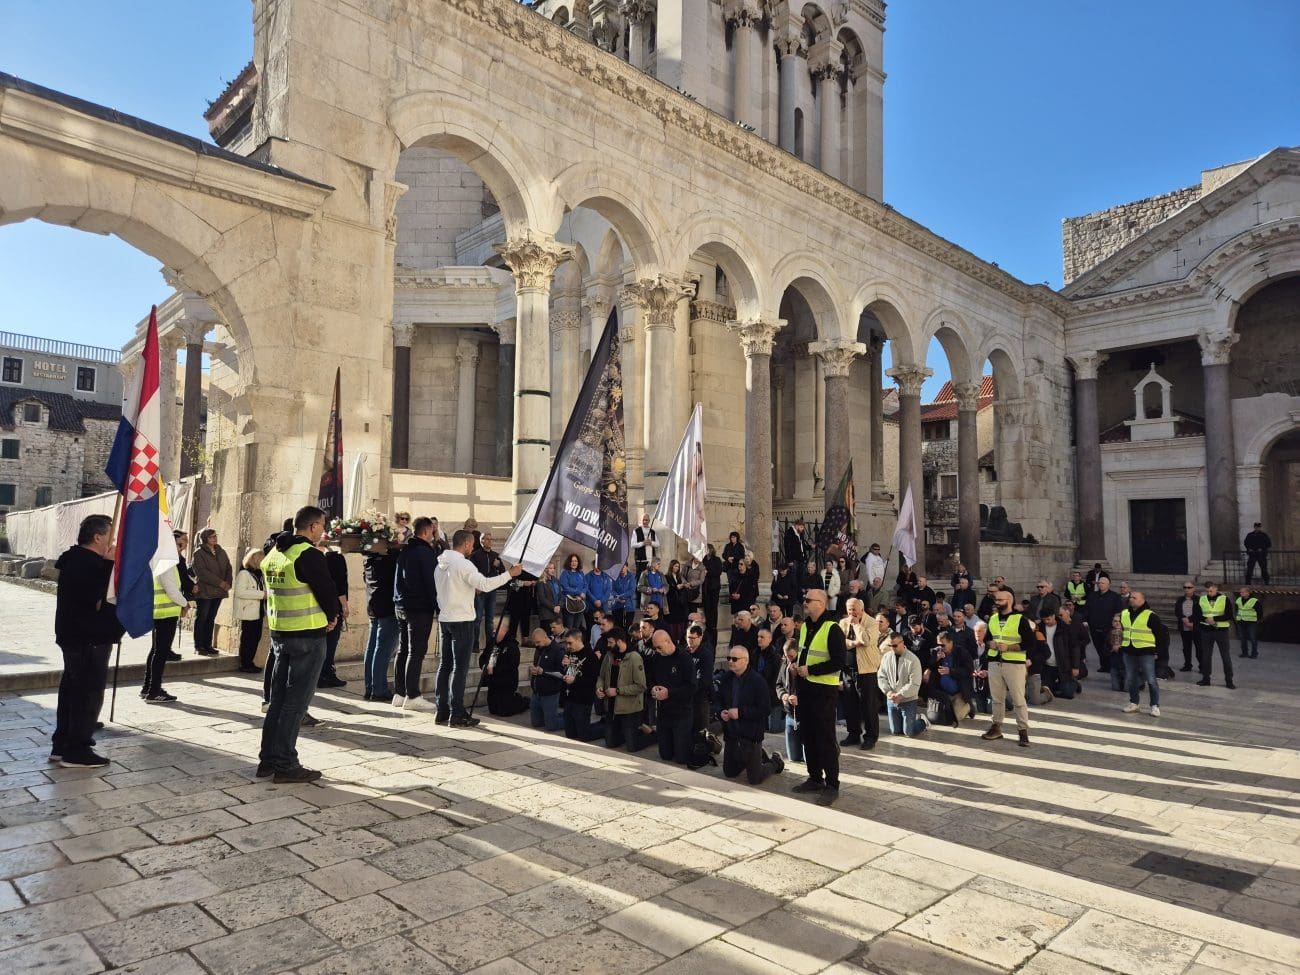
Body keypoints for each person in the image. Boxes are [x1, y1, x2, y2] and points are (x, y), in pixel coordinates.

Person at [258, 505, 341, 783]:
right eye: (322, 526)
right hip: (307, 635)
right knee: (296, 703)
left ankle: (268, 759)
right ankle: (285, 764)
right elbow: (327, 591)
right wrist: (332, 617)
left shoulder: (274, 554)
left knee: (279, 699)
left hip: (281, 634)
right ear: (313, 527)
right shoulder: (308, 555)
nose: (323, 531)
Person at [51, 514, 123, 767]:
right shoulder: (86, 562)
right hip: (87, 637)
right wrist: (108, 565)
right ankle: (77, 749)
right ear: (98, 537)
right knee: (86, 693)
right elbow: (93, 596)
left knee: (73, 691)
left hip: (80, 636)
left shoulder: (79, 559)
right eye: (110, 536)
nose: (113, 542)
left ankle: (62, 744)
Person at [434, 529, 522, 724]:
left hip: (445, 618)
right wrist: (510, 573)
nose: (472, 548)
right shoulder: (464, 564)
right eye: (471, 544)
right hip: (462, 620)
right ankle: (456, 713)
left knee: (445, 665)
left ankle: (442, 710)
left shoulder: (440, 565)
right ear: (465, 544)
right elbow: (485, 584)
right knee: (460, 668)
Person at [791, 589, 845, 806]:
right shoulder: (805, 626)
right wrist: (798, 668)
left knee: (825, 739)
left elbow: (839, 662)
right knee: (808, 736)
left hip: (824, 691)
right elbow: (806, 652)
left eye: (808, 600)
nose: (804, 603)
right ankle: (814, 778)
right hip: (806, 689)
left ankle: (832, 784)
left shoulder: (833, 629)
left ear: (821, 603)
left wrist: (810, 670)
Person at [716, 645, 786, 785]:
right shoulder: (726, 678)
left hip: (751, 735)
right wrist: (721, 712)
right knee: (729, 773)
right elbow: (718, 700)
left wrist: (740, 713)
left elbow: (765, 709)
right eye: (729, 658)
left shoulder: (757, 681)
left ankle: (775, 762)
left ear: (745, 661)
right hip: (732, 733)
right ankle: (752, 757)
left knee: (755, 779)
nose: (730, 661)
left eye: (734, 659)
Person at [392, 517, 440, 710]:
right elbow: (431, 583)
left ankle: (399, 692)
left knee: (404, 649)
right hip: (418, 608)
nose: (434, 534)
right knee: (416, 650)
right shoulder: (424, 552)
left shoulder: (405, 550)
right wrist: (438, 606)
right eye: (433, 531)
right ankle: (412, 695)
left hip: (402, 605)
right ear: (427, 531)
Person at [979, 586, 1035, 747]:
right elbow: (988, 639)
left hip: (1014, 663)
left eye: (1000, 599)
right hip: (995, 662)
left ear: (1009, 601)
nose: (996, 602)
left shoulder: (1020, 619)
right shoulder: (993, 619)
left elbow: (1030, 644)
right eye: (996, 599)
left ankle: (1023, 731)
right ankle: (996, 727)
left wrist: (1009, 647)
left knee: (1018, 699)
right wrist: (991, 644)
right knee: (997, 698)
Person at [648, 629, 697, 764]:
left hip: (681, 711)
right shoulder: (657, 658)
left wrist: (669, 693)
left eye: (659, 647)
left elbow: (692, 686)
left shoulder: (684, 658)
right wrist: (653, 688)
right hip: (664, 711)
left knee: (682, 758)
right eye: (655, 647)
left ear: (668, 641)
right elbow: (651, 678)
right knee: (665, 755)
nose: (657, 650)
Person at [597, 627, 650, 752]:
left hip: (629, 708)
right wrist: (599, 687)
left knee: (632, 747)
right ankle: (628, 732)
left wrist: (618, 691)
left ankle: (651, 734)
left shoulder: (634, 657)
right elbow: (602, 676)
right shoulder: (609, 656)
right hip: (611, 706)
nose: (608, 645)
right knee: (610, 743)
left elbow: (641, 686)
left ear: (619, 641)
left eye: (611, 642)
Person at [839, 597, 880, 750]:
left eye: (854, 609)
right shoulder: (843, 623)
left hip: (866, 670)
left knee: (868, 705)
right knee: (850, 705)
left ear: (861, 609)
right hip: (848, 669)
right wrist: (853, 644)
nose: (851, 612)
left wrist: (856, 625)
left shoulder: (872, 623)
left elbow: (867, 640)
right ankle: (853, 734)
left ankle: (870, 737)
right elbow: (839, 642)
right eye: (849, 609)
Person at [1120, 591, 1168, 717]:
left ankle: (1155, 705)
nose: (1131, 599)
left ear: (1142, 600)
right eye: (1130, 597)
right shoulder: (1124, 613)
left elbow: (1161, 635)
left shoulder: (1150, 615)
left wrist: (1158, 651)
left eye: (1135, 598)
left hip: (1146, 651)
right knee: (1131, 679)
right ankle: (1134, 703)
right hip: (1128, 651)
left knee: (1151, 679)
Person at [361, 544, 399, 702]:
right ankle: (379, 689)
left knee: (372, 648)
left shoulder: (369, 561)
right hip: (387, 609)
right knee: (382, 649)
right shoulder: (390, 560)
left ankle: (370, 687)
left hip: (373, 607)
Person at [191, 527, 232, 656]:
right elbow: (202, 573)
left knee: (211, 618)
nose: (215, 538)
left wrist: (228, 583)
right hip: (206, 591)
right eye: (212, 536)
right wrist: (220, 583)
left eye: (215, 535)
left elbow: (228, 567)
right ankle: (199, 645)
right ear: (205, 539)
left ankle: (208, 645)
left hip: (219, 591)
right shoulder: (198, 553)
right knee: (202, 618)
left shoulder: (221, 551)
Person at [878, 632, 927, 736]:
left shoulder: (913, 660)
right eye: (890, 646)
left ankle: (922, 721)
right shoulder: (886, 657)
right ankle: (904, 721)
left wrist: (900, 695)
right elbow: (881, 676)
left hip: (908, 699)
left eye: (894, 645)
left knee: (908, 732)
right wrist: (888, 691)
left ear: (902, 643)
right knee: (895, 731)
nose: (892, 648)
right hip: (892, 699)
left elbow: (915, 683)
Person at [559, 629, 604, 740]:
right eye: (566, 643)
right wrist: (564, 667)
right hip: (569, 697)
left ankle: (605, 727)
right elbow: (567, 672)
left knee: (584, 735)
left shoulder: (590, 656)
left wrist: (575, 680)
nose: (568, 646)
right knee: (570, 734)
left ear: (579, 640)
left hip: (583, 699)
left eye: (570, 643)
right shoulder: (569, 653)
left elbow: (592, 680)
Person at [316, 540, 349, 689]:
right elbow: (339, 586)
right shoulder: (336, 559)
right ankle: (326, 674)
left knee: (325, 643)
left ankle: (324, 673)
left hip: (320, 606)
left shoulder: (317, 558)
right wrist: (344, 605)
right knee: (330, 643)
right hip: (333, 606)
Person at [926, 631, 975, 724]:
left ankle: (968, 707)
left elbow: (968, 670)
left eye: (943, 645)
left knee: (956, 717)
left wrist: (951, 671)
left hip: (959, 693)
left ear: (950, 642)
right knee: (937, 716)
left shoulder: (961, 652)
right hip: (943, 694)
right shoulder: (936, 651)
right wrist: (936, 660)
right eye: (938, 644)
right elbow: (930, 665)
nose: (940, 647)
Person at [1194, 581, 1235, 689]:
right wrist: (1206, 619)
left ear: (1216, 589)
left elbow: (1229, 614)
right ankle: (1206, 678)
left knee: (1225, 656)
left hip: (1221, 630)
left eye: (1211, 590)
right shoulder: (1201, 599)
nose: (1209, 593)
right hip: (1206, 630)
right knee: (1206, 656)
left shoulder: (1224, 599)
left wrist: (1214, 619)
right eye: (1207, 591)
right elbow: (1197, 614)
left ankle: (1229, 680)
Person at [232, 547, 266, 675]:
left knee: (255, 638)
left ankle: (249, 662)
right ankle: (245, 664)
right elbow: (240, 592)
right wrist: (262, 594)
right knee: (248, 639)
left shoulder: (259, 573)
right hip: (249, 612)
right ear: (256, 559)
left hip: (258, 611)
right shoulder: (244, 574)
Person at [527, 626, 566, 732]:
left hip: (550, 692)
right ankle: (552, 715)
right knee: (536, 723)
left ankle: (570, 718)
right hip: (537, 691)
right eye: (535, 642)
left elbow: (561, 673)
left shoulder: (558, 650)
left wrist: (543, 672)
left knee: (551, 725)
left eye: (538, 642)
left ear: (545, 637)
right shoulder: (539, 648)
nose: (536, 645)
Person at [471, 532, 505, 652]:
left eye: (491, 539)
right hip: (480, 591)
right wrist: (476, 586)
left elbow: (502, 572)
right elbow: (474, 574)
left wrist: (497, 568)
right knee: (477, 619)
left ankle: (489, 645)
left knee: (490, 620)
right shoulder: (475, 555)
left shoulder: (496, 556)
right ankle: (474, 644)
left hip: (492, 591)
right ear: (481, 541)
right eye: (487, 539)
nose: (490, 541)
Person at [1036, 609, 1080, 699]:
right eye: (1044, 620)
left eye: (1048, 619)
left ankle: (1074, 684)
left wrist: (1075, 666)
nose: (1046, 622)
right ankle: (1056, 685)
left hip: (1063, 665)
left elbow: (1074, 647)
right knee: (1044, 690)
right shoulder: (1040, 628)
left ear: (1053, 616)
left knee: (1067, 694)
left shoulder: (1065, 628)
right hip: (1047, 666)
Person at [1084, 577, 1123, 673]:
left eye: (1103, 583)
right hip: (1094, 626)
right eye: (1099, 583)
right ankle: (1104, 665)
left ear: (1108, 585)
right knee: (1098, 646)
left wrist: (1116, 623)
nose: (1100, 584)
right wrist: (1085, 620)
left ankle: (1110, 666)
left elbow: (1118, 611)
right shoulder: (1092, 595)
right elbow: (1087, 609)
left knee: (1108, 646)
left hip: (1108, 627)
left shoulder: (1115, 597)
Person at [775, 639, 803, 763]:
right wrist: (783, 695)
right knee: (793, 758)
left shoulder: (803, 664)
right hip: (790, 713)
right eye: (786, 656)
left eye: (791, 656)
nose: (789, 659)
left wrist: (800, 698)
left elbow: (812, 689)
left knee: (809, 757)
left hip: (803, 713)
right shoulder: (785, 663)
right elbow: (778, 684)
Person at [684, 624, 714, 736]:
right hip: (686, 698)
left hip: (700, 697)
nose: (689, 641)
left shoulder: (705, 654)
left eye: (693, 638)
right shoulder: (684, 652)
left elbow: (705, 679)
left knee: (701, 729)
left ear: (700, 638)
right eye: (688, 637)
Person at [1173, 582, 1200, 673]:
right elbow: (1177, 611)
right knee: (1186, 647)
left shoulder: (1198, 599)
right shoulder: (1180, 599)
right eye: (1185, 587)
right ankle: (1187, 665)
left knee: (1199, 648)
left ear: (1194, 588)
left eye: (1189, 587)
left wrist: (1190, 620)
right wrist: (1183, 618)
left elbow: (1199, 612)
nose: (1187, 589)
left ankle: (1202, 666)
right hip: (1184, 627)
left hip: (1195, 627)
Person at [559, 553, 589, 631]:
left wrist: (583, 593)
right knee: (569, 627)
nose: (574, 563)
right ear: (569, 562)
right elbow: (565, 588)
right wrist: (579, 593)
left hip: (580, 602)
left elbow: (585, 585)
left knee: (577, 627)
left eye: (576, 561)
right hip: (570, 603)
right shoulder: (565, 573)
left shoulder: (580, 573)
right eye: (572, 561)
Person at [664, 559, 690, 642]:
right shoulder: (666, 577)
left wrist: (684, 585)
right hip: (671, 602)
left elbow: (684, 585)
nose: (677, 568)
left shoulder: (679, 577)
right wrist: (676, 587)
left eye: (678, 566)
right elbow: (667, 588)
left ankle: (680, 639)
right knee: (672, 622)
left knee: (680, 622)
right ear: (671, 566)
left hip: (680, 603)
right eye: (675, 566)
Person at [701, 544, 724, 637]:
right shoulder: (703, 560)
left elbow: (718, 571)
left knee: (713, 607)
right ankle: (708, 625)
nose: (706, 551)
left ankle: (713, 625)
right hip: (705, 587)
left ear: (711, 550)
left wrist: (708, 571)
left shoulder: (717, 560)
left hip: (714, 586)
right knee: (706, 606)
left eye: (708, 549)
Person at [784, 519, 812, 588]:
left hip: (801, 560)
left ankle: (799, 595)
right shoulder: (789, 533)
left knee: (801, 578)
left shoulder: (800, 534)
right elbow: (787, 548)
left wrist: (810, 547)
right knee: (794, 579)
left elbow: (802, 546)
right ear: (796, 526)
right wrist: (789, 560)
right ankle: (794, 596)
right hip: (794, 560)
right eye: (801, 527)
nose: (802, 529)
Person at [1234, 586, 1261, 659]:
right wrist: (1237, 618)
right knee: (1242, 638)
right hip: (1241, 621)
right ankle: (1244, 653)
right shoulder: (1238, 600)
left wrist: (1257, 620)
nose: (1241, 593)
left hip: (1251, 622)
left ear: (1248, 593)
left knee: (1253, 638)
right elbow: (1236, 610)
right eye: (1240, 592)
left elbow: (1259, 612)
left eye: (1242, 592)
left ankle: (1254, 653)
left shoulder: (1254, 601)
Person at [610, 562, 637, 631]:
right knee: (617, 627)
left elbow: (631, 590)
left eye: (623, 567)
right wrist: (618, 598)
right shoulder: (615, 577)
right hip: (616, 605)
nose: (621, 569)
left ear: (627, 567)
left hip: (629, 605)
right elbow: (612, 590)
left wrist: (620, 596)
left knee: (628, 627)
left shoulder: (631, 577)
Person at [632, 513, 658, 582]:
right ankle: (638, 592)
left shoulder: (652, 531)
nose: (645, 522)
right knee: (640, 579)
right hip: (641, 560)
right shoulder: (636, 531)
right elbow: (633, 544)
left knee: (650, 579)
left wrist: (651, 542)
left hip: (651, 560)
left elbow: (658, 544)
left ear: (649, 521)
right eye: (643, 520)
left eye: (646, 520)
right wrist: (643, 543)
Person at [536, 561, 561, 631]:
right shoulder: (541, 582)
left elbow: (561, 595)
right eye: (550, 568)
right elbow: (542, 598)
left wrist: (559, 605)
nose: (552, 570)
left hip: (557, 613)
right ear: (546, 569)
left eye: (553, 568)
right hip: (546, 614)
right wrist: (553, 607)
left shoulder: (556, 581)